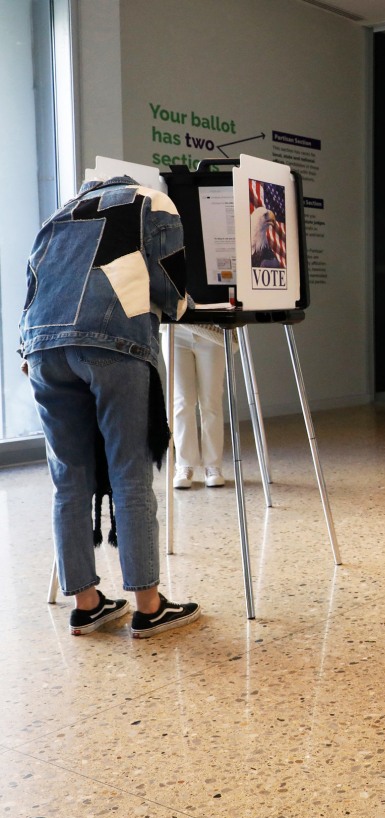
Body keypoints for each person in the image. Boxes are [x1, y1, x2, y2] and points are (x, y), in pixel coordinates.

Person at [20, 174, 202, 638]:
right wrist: (180, 305)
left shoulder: (55, 216)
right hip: (114, 343)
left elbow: (32, 291)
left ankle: (85, 603)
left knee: (68, 479)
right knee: (130, 473)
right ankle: (149, 605)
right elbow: (170, 289)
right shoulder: (152, 200)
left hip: (42, 349)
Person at [171, 324, 227, 489]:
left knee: (211, 400)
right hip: (176, 328)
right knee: (182, 400)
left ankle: (213, 465)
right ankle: (183, 464)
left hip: (212, 329)